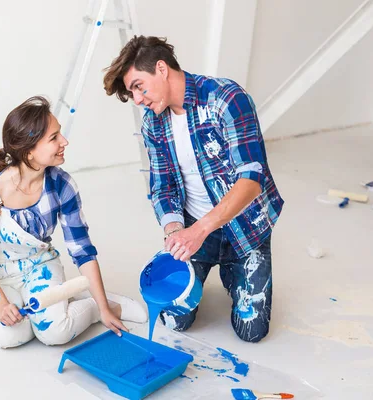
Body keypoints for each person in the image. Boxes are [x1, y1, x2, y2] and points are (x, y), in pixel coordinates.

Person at [103, 36, 284, 343]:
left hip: (245, 229)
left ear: (161, 69)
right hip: (196, 231)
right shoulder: (153, 124)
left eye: (138, 86)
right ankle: (212, 264)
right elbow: (163, 186)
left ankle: (234, 269)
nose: (137, 99)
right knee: (174, 320)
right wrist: (175, 231)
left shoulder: (226, 99)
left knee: (252, 332)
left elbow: (251, 179)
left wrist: (199, 230)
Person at [0, 96, 147, 349]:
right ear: (29, 150)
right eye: (54, 138)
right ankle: (60, 299)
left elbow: (82, 251)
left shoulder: (62, 185)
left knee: (54, 333)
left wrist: (104, 309)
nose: (64, 142)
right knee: (11, 336)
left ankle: (92, 304)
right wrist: (1, 304)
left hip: (39, 266)